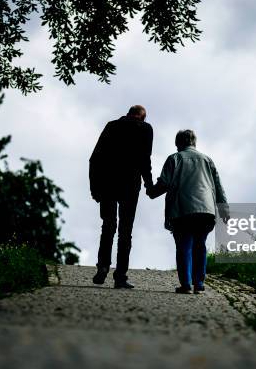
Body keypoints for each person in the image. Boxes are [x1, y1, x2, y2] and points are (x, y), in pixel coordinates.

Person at [146, 129, 229, 294]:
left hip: (182, 209)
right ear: (194, 143)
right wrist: (224, 211)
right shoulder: (207, 160)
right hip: (206, 211)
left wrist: (151, 192)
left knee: (184, 246)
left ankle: (186, 284)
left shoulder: (175, 158)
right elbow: (218, 187)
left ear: (178, 143)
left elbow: (164, 183)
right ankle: (199, 284)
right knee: (200, 245)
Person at [89, 105, 153, 289]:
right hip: (130, 186)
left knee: (108, 226)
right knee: (126, 231)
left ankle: (102, 267)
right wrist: (149, 184)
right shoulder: (145, 129)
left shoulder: (111, 126)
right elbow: (145, 159)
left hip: (108, 184)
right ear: (142, 117)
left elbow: (95, 158)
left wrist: (94, 187)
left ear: (128, 113)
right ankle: (120, 276)